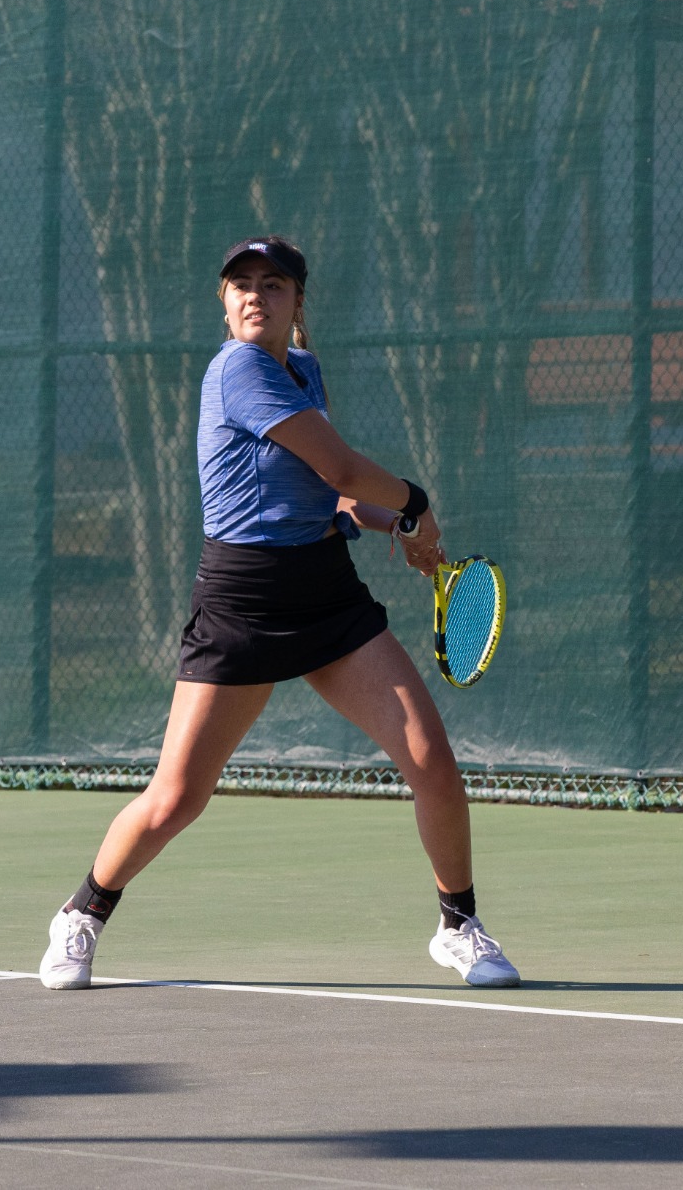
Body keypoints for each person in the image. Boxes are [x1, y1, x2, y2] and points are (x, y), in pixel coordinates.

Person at [38, 235, 519, 991]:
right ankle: (81, 914)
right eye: (241, 284)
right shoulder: (238, 370)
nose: (256, 293)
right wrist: (418, 505)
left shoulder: (300, 371)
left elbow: (329, 494)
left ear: (298, 304)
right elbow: (345, 467)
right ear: (224, 305)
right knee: (176, 798)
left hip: (325, 595)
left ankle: (459, 924)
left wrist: (391, 524)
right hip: (242, 601)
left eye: (275, 283)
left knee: (431, 758)